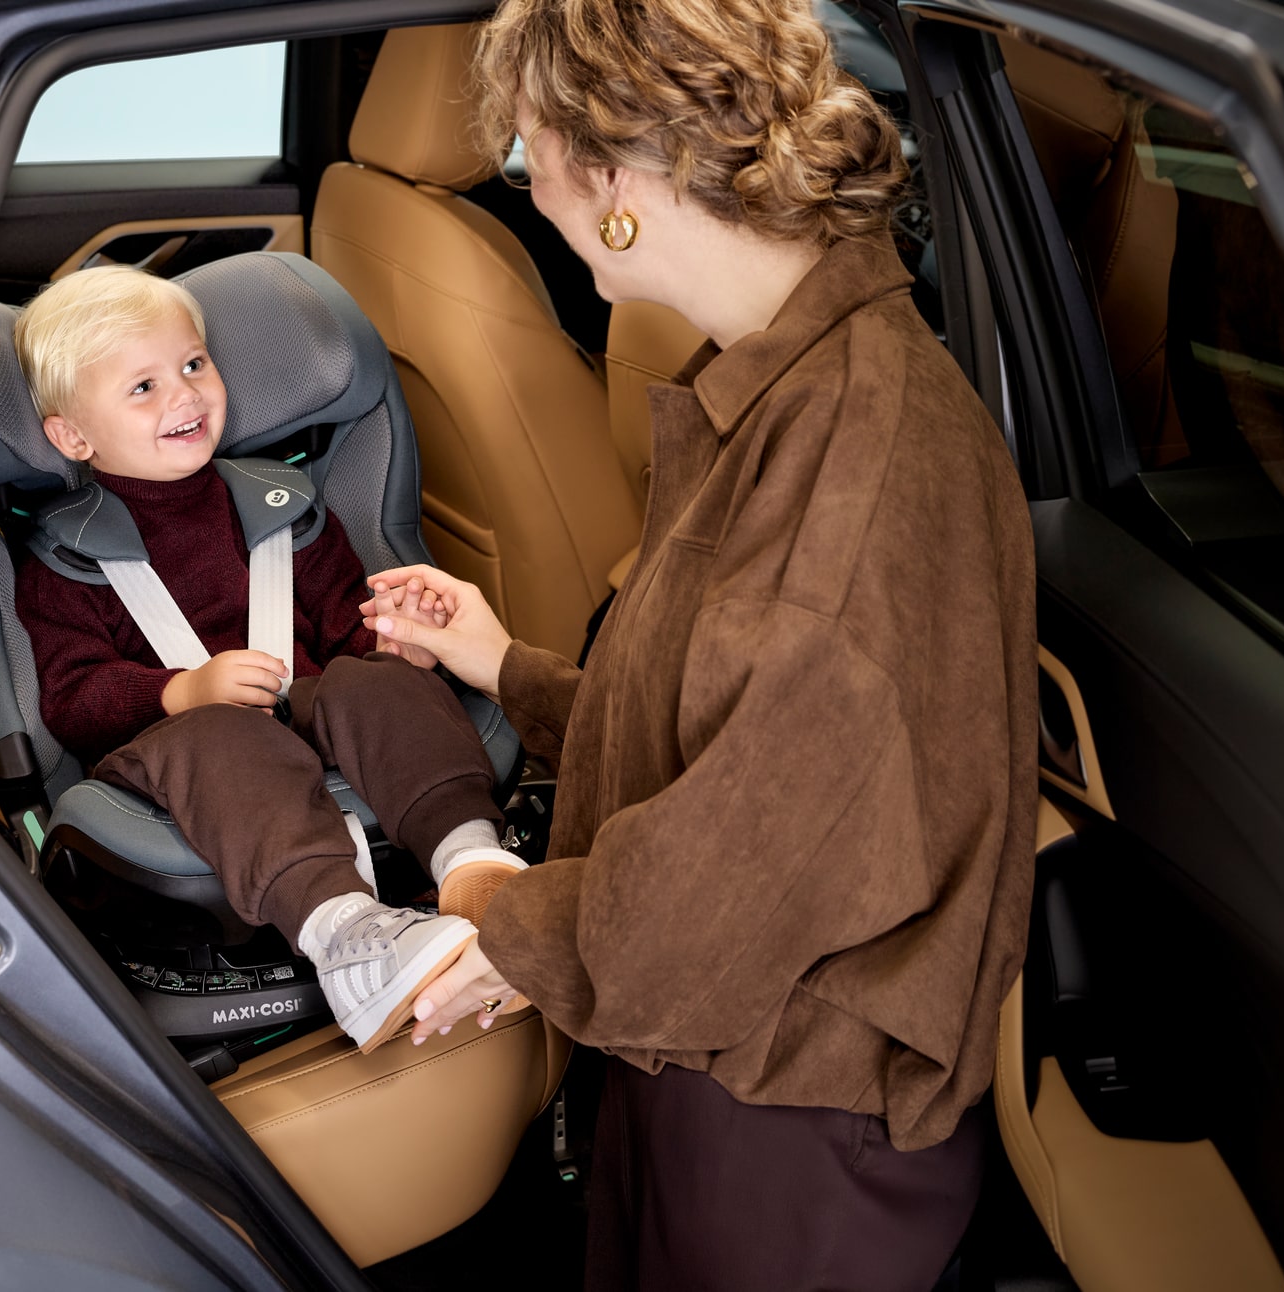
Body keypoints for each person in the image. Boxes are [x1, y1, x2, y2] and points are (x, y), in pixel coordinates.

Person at [360, 0, 1040, 1286]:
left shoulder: (851, 461)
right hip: (721, 1057)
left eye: (526, 155)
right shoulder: (786, 378)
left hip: (789, 1125)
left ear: (612, 182)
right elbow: (736, 737)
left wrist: (501, 922)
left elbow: (737, 865)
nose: (528, 190)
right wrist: (506, 667)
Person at [9, 265, 525, 1053]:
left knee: (379, 684)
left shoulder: (281, 508)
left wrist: (392, 644)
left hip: (308, 709)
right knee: (220, 734)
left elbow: (342, 625)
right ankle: (348, 935)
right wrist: (181, 692)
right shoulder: (66, 560)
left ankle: (473, 865)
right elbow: (73, 701)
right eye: (143, 387)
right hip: (181, 757)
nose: (184, 394)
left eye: (193, 364)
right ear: (74, 437)